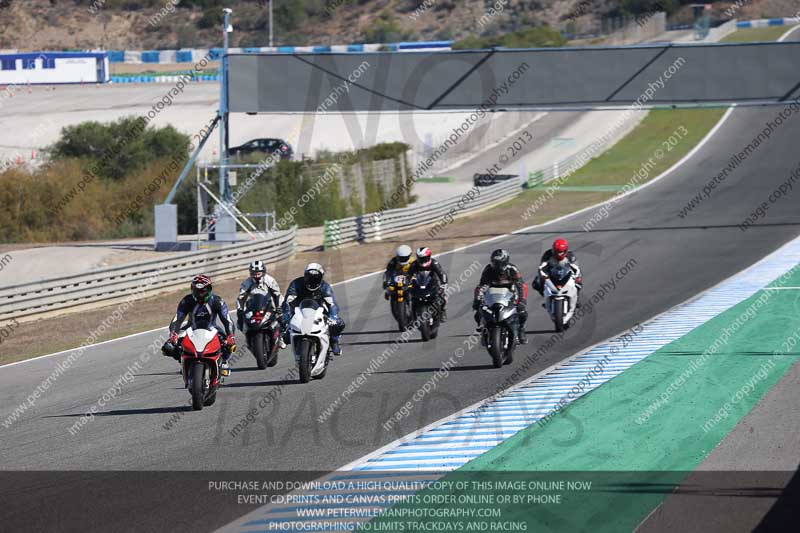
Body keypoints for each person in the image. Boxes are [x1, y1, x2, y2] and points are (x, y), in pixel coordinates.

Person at [163, 274, 236, 377]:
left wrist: (230, 335)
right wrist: (173, 334)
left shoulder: (217, 301)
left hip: (212, 327)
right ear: (192, 290)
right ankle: (184, 361)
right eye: (197, 291)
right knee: (168, 347)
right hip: (190, 328)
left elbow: (227, 320)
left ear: (209, 289)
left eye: (203, 291)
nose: (200, 294)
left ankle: (223, 361)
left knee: (229, 344)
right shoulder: (186, 301)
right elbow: (177, 319)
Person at [282, 263, 346, 356]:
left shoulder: (325, 287)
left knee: (339, 323)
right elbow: (287, 301)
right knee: (284, 328)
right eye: (309, 277)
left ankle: (334, 341)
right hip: (298, 310)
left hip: (319, 310)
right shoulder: (296, 284)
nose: (312, 281)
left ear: (321, 278)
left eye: (316, 278)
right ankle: (285, 340)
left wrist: (333, 317)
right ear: (305, 276)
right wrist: (286, 316)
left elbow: (332, 304)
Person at [472, 249, 529, 344]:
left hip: (509, 293)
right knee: (479, 311)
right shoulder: (488, 269)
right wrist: (477, 299)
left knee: (522, 312)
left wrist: (522, 300)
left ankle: (521, 329)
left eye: (499, 263)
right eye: (494, 263)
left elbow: (521, 285)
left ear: (505, 261)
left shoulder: (512, 269)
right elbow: (481, 285)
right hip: (492, 294)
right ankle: (483, 328)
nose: (497, 265)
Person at [236, 260, 285, 348]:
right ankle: (249, 337)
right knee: (241, 320)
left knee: (280, 316)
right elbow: (241, 298)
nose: (256, 276)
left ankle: (280, 338)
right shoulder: (246, 283)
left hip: (271, 302)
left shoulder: (270, 280)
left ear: (263, 272)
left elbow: (276, 295)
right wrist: (240, 310)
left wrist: (278, 307)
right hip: (254, 304)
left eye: (258, 273)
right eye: (254, 274)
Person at [532, 238, 582, 304]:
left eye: (561, 252)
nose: (559, 254)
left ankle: (576, 297)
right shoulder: (547, 254)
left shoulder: (571, 255)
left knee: (578, 281)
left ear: (565, 250)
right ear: (553, 250)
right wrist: (542, 274)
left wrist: (576, 276)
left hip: (566, 274)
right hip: (551, 273)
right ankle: (546, 297)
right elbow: (542, 266)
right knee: (536, 283)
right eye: (557, 252)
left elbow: (576, 267)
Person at [407, 247, 449, 322]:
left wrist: (443, 285)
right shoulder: (414, 264)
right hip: (418, 284)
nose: (423, 260)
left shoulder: (434, 263)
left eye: (424, 258)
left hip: (432, 283)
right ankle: (411, 315)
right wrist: (406, 283)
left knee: (443, 296)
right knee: (409, 297)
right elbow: (408, 275)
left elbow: (442, 274)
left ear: (429, 256)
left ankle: (443, 310)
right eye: (421, 258)